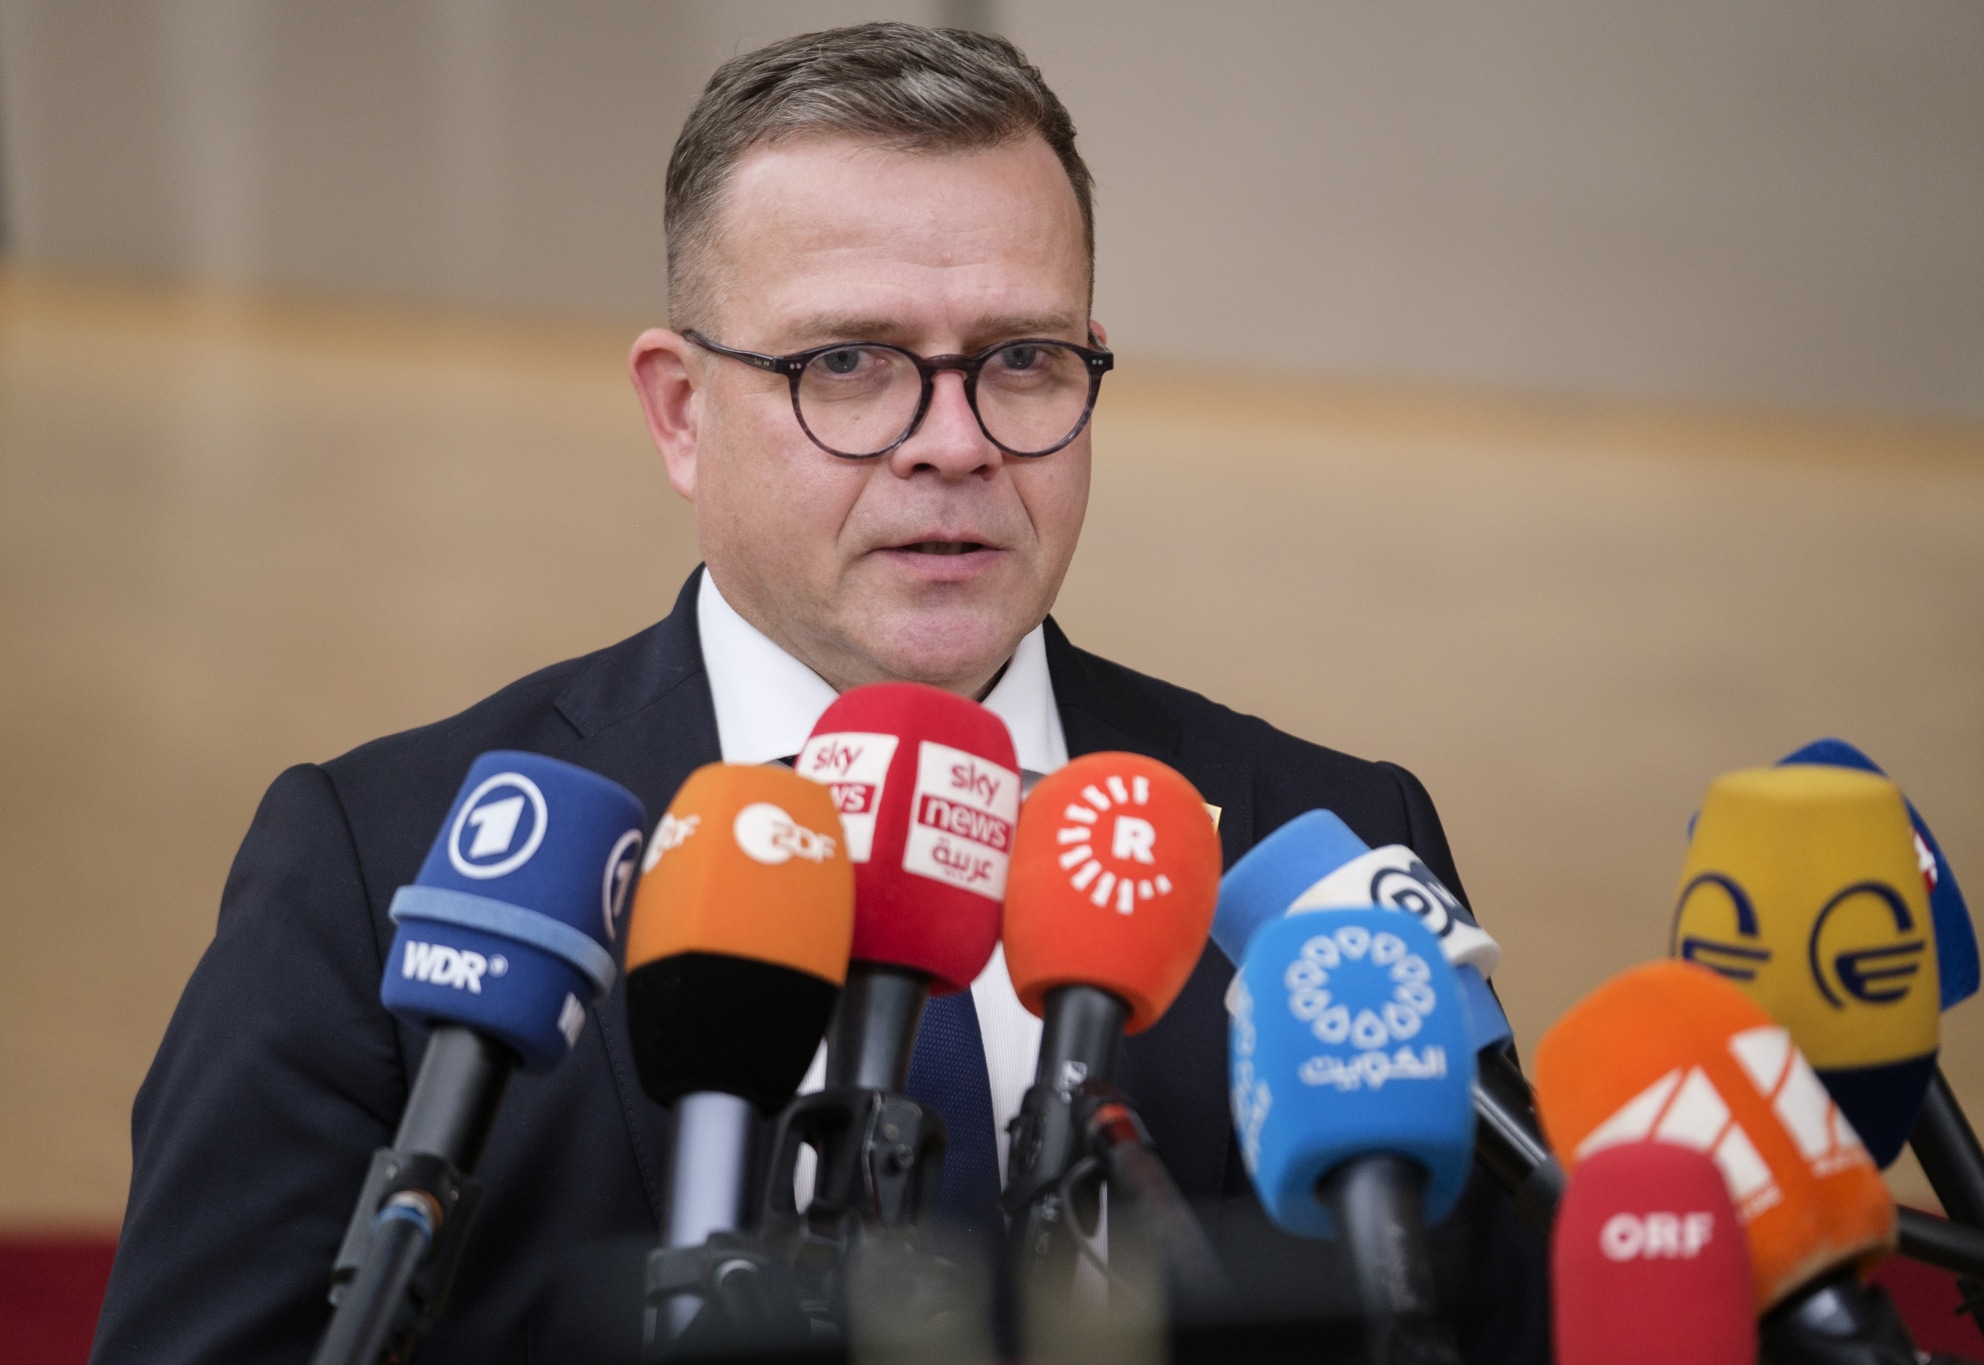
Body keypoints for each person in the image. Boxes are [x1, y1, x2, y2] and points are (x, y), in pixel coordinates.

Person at [91, 23, 1547, 1363]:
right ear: (681, 411)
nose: (953, 442)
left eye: (1023, 360)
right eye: (848, 363)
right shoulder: (387, 865)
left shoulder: (1319, 842)